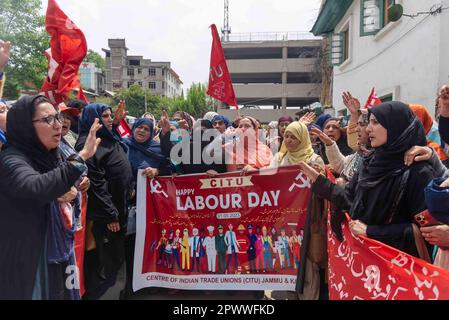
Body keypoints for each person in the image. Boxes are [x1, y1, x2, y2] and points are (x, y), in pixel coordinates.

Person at [300, 102, 436, 259]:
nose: (368, 128)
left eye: (376, 122)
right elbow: (351, 201)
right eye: (369, 122)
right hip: (367, 266)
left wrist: (371, 232)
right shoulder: (370, 162)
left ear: (396, 126)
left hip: (399, 271)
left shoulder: (418, 171)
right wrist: (320, 183)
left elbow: (428, 233)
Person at [0, 95, 101, 299]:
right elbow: (35, 187)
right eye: (48, 120)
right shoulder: (11, 159)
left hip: (58, 250)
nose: (58, 124)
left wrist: (70, 191)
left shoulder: (50, 154)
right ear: (25, 126)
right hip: (31, 259)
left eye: (58, 117)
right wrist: (81, 157)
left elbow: (60, 182)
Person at [75, 103, 133, 300]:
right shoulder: (88, 144)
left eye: (110, 116)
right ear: (92, 120)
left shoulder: (108, 137)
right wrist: (110, 215)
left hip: (118, 208)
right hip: (105, 217)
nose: (110, 120)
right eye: (105, 116)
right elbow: (96, 184)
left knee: (116, 259)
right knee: (105, 261)